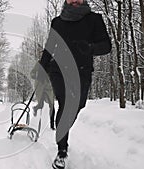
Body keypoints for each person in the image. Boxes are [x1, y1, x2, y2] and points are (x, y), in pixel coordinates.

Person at [38, 0, 112, 169]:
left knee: (77, 106)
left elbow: (106, 46)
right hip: (58, 69)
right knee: (66, 105)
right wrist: (42, 66)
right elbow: (50, 45)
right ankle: (61, 151)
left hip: (81, 71)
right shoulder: (58, 21)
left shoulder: (94, 19)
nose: (75, 1)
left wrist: (90, 48)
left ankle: (60, 128)